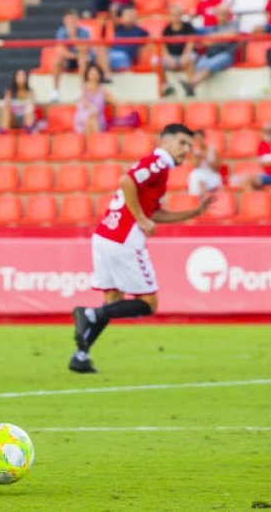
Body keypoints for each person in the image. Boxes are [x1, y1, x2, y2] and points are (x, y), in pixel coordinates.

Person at [69, 124, 212, 373]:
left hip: (105, 235)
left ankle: (80, 355)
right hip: (124, 239)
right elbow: (126, 181)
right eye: (182, 143)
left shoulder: (160, 169)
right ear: (165, 142)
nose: (186, 150)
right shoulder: (159, 162)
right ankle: (89, 314)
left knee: (112, 300)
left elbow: (154, 212)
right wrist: (142, 220)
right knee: (148, 303)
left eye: (189, 145)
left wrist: (194, 212)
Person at [185, 5, 238, 96]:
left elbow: (232, 34)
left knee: (208, 66)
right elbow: (206, 42)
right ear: (216, 15)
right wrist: (221, 37)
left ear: (228, 15)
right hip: (211, 54)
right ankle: (191, 85)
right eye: (220, 14)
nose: (222, 16)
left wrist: (214, 37)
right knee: (197, 64)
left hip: (226, 54)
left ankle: (191, 84)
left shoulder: (233, 24)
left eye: (224, 13)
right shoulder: (212, 28)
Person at [50, 9, 95, 102]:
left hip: (84, 60)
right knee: (57, 60)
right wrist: (75, 56)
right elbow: (60, 51)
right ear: (64, 21)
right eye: (68, 20)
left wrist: (73, 37)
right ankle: (55, 91)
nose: (71, 22)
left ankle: (82, 92)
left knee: (82, 59)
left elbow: (85, 50)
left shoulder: (84, 32)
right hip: (71, 58)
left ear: (77, 21)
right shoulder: (61, 32)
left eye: (73, 20)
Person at [98, 7, 149, 72]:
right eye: (127, 14)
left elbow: (151, 42)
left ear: (135, 16)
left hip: (125, 57)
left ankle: (106, 75)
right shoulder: (118, 27)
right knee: (100, 50)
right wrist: (113, 11)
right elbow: (112, 18)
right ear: (122, 16)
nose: (129, 17)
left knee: (103, 58)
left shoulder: (141, 31)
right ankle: (106, 75)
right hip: (111, 54)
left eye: (131, 14)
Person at [160, 4, 197, 93]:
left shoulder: (188, 27)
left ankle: (190, 86)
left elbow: (190, 44)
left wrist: (185, 56)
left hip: (185, 55)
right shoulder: (166, 29)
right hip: (172, 57)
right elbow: (163, 46)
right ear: (170, 16)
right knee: (157, 62)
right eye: (173, 15)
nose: (176, 17)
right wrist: (168, 58)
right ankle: (167, 85)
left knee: (190, 58)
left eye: (178, 14)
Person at [74, 64, 111, 135]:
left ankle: (93, 144)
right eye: (92, 72)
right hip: (83, 118)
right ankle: (96, 144)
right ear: (87, 75)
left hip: (98, 119)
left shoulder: (103, 91)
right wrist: (93, 108)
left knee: (92, 121)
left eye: (96, 72)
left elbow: (115, 102)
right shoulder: (83, 88)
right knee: (89, 122)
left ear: (100, 75)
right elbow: (84, 102)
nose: (94, 74)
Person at [0, 68, 37, 132]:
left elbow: (31, 106)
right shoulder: (9, 92)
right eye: (19, 76)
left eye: (23, 76)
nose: (21, 78)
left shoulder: (30, 92)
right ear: (15, 78)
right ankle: (4, 131)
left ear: (26, 78)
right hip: (13, 118)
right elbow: (6, 104)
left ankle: (28, 130)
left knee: (30, 112)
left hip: (25, 117)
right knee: (6, 110)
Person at [188, 129, 224, 196]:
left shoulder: (213, 151)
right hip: (199, 175)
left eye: (199, 139)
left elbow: (217, 167)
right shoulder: (195, 152)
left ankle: (204, 198)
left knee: (199, 177)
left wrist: (206, 158)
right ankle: (203, 197)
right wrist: (198, 158)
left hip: (212, 175)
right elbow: (194, 166)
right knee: (195, 175)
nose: (198, 141)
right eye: (196, 139)